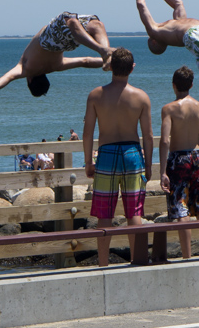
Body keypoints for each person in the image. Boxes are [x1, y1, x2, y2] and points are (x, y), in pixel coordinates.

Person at [82, 48, 152, 266]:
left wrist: (88, 162)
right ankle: (137, 260)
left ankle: (103, 263)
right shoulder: (141, 97)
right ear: (132, 68)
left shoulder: (96, 95)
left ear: (110, 67)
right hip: (132, 153)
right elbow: (148, 136)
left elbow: (88, 133)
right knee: (134, 212)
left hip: (107, 153)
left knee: (104, 213)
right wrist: (148, 166)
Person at [159, 66, 199, 259]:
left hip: (178, 160)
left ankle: (187, 257)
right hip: (198, 157)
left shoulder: (169, 109)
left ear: (173, 85)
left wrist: (162, 172)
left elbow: (165, 140)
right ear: (191, 84)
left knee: (182, 209)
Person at [0, 12, 113, 98]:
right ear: (29, 80)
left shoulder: (57, 66)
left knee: (97, 25)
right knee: (70, 21)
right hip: (49, 40)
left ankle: (110, 58)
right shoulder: (25, 69)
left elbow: (86, 61)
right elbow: (8, 77)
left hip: (67, 44)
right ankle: (104, 51)